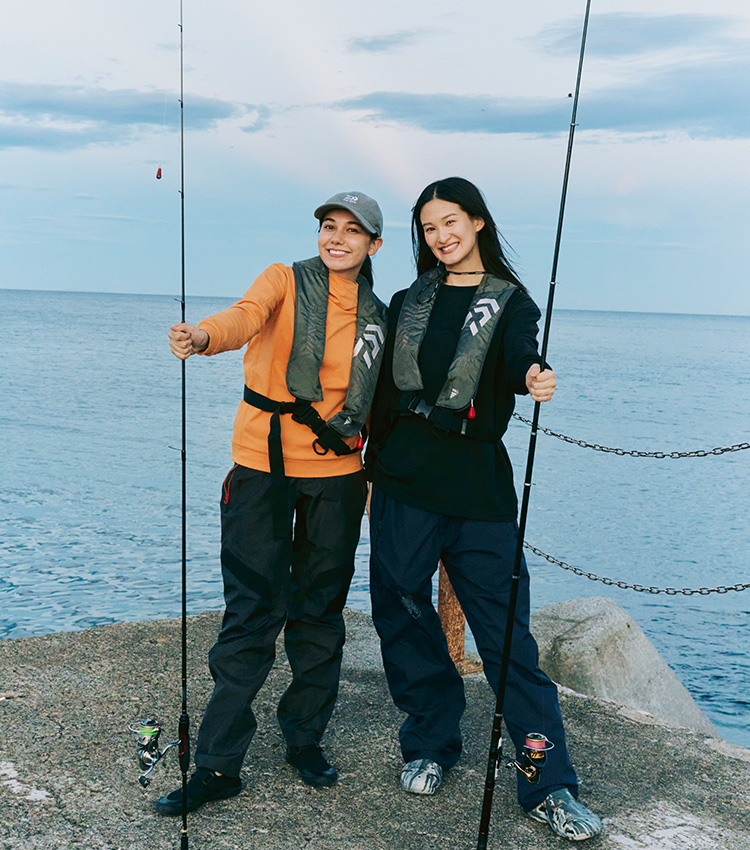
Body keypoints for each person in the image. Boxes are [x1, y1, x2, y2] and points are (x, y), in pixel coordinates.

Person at [366, 177, 602, 841]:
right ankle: (431, 743)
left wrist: (534, 376)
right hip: (403, 486)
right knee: (403, 617)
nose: (441, 236)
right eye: (429, 227)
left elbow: (525, 353)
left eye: (451, 222)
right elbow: (383, 395)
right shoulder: (407, 300)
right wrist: (368, 477)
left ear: (476, 222)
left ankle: (548, 784)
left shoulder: (510, 302)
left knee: (508, 644)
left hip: (479, 494)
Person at [156, 192, 387, 816]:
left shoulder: (379, 316)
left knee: (319, 610)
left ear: (374, 246)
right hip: (261, 468)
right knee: (252, 609)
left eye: (352, 231)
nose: (336, 238)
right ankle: (218, 763)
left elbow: (386, 405)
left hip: (339, 475)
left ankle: (304, 739)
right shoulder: (283, 280)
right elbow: (243, 316)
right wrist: (202, 335)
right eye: (329, 227)